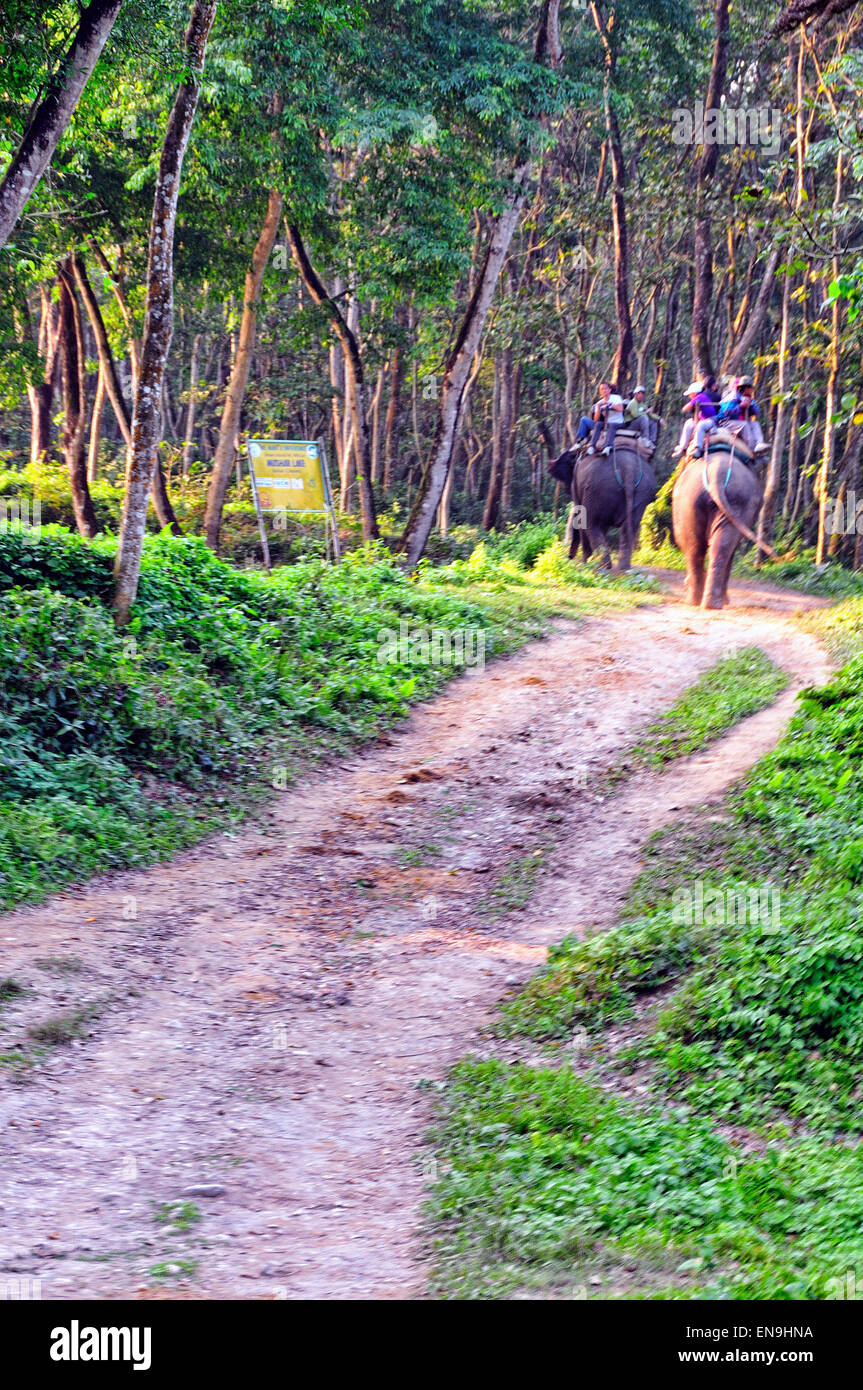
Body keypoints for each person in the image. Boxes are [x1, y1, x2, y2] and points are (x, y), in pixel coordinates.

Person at [717, 375, 769, 455]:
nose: (752, 390)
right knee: (745, 425)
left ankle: (759, 444)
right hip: (726, 422)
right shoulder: (732, 397)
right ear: (746, 388)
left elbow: (755, 411)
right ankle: (752, 449)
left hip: (739, 422)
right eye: (751, 388)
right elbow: (726, 412)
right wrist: (741, 406)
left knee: (755, 424)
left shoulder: (748, 398)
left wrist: (750, 406)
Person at [671, 382, 702, 458]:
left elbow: (684, 409)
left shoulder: (698, 398)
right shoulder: (704, 396)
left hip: (702, 421)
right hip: (707, 420)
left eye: (690, 394)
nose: (689, 396)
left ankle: (683, 448)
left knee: (688, 423)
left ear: (694, 393)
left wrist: (691, 403)